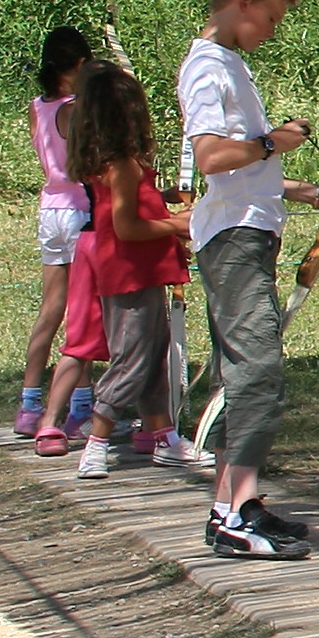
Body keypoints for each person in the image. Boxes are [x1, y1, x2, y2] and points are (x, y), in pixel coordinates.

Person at [179, 0, 319, 563]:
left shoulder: (228, 65)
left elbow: (243, 173)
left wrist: (303, 189)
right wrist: (275, 140)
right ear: (243, 3)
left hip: (246, 230)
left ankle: (237, 503)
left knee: (244, 374)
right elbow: (212, 159)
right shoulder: (206, 69)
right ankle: (231, 514)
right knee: (258, 374)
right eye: (269, 18)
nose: (271, 31)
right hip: (233, 240)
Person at [63, 60, 195, 483]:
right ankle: (96, 441)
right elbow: (126, 227)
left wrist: (163, 198)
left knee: (154, 356)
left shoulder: (121, 164)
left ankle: (165, 437)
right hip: (128, 271)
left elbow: (132, 205)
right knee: (133, 359)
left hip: (141, 270)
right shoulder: (121, 164)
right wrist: (178, 223)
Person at [16, 25, 94, 440]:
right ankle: (80, 407)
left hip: (50, 210)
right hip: (80, 210)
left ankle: (30, 402)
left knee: (51, 309)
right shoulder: (76, 108)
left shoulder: (39, 106)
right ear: (79, 65)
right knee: (81, 314)